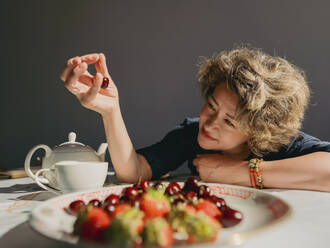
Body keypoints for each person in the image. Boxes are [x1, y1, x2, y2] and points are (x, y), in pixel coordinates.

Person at [60, 46, 330, 192]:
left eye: (230, 122)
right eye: (211, 106)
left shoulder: (280, 144)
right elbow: (134, 173)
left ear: (259, 131)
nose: (210, 123)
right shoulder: (192, 134)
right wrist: (110, 111)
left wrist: (236, 173)